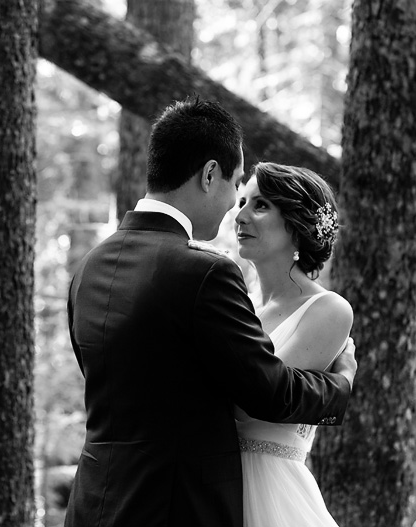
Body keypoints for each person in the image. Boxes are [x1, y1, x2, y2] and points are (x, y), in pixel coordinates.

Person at [64, 97, 357, 527]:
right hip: (175, 507)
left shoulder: (88, 269)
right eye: (235, 186)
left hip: (95, 503)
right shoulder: (204, 272)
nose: (234, 208)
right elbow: (267, 391)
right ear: (208, 175)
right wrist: (342, 384)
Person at [233, 162, 353, 527]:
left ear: (297, 227)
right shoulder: (238, 303)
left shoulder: (328, 310)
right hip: (214, 486)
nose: (240, 216)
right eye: (241, 201)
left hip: (273, 493)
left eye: (260, 205)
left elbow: (252, 403)